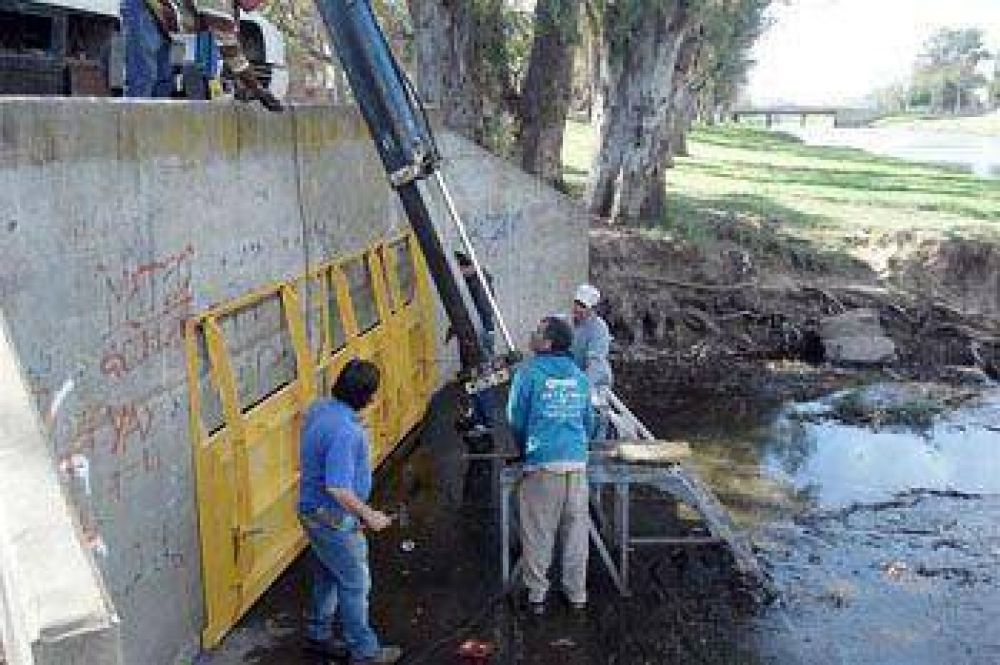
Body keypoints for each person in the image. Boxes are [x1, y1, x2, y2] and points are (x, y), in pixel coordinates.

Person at [298, 359, 402, 664]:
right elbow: (338, 488)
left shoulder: (321, 409)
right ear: (367, 397)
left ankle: (318, 634)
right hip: (332, 517)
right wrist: (370, 515)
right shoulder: (347, 432)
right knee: (356, 582)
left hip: (311, 510)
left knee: (328, 572)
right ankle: (364, 651)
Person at [507, 316, 594, 615]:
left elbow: (515, 418)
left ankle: (536, 596)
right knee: (576, 533)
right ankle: (577, 595)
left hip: (544, 464)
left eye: (537, 331)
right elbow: (589, 421)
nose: (532, 334)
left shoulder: (528, 373)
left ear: (548, 343)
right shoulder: (580, 376)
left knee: (538, 531)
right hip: (577, 465)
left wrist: (525, 449)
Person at [122, 0, 282, 111]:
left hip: (164, 24)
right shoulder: (219, 5)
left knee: (164, 82)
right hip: (145, 9)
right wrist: (258, 89)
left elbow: (230, 46)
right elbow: (232, 53)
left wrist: (243, 85)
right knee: (144, 76)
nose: (260, 3)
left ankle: (149, 137)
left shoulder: (231, 11)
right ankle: (128, 137)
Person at [454, 250, 497, 436]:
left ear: (466, 267)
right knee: (476, 378)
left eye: (458, 269)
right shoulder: (475, 281)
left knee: (480, 378)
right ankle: (478, 417)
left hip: (478, 336)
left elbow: (483, 313)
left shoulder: (478, 283)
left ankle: (485, 421)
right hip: (476, 335)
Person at [570, 283, 613, 440]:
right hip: (573, 379)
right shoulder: (566, 323)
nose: (577, 309)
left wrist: (581, 387)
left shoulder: (599, 329)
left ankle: (597, 447)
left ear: (593, 309)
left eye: (583, 306)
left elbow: (595, 363)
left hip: (596, 382)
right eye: (577, 304)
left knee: (597, 417)